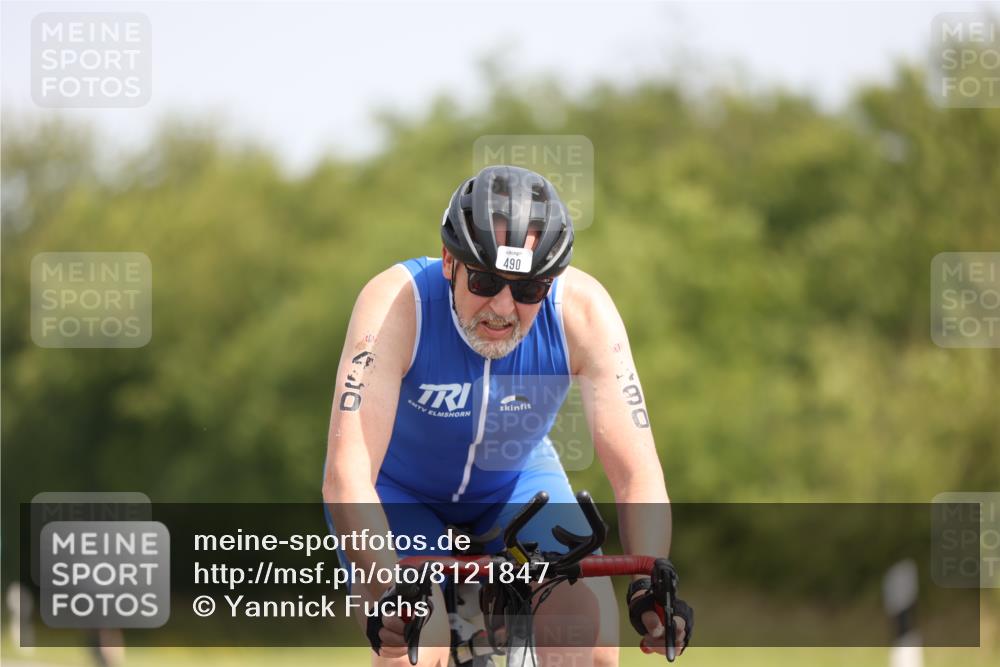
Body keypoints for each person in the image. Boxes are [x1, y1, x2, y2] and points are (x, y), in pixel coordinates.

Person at [323, 165, 692, 666]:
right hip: (398, 493)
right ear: (450, 262)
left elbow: (637, 473)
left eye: (527, 290)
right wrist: (389, 590)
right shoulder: (396, 304)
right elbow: (347, 476)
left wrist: (649, 581)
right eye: (485, 280)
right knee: (415, 649)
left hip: (516, 484)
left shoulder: (583, 312)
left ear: (551, 282)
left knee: (591, 645)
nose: (501, 307)